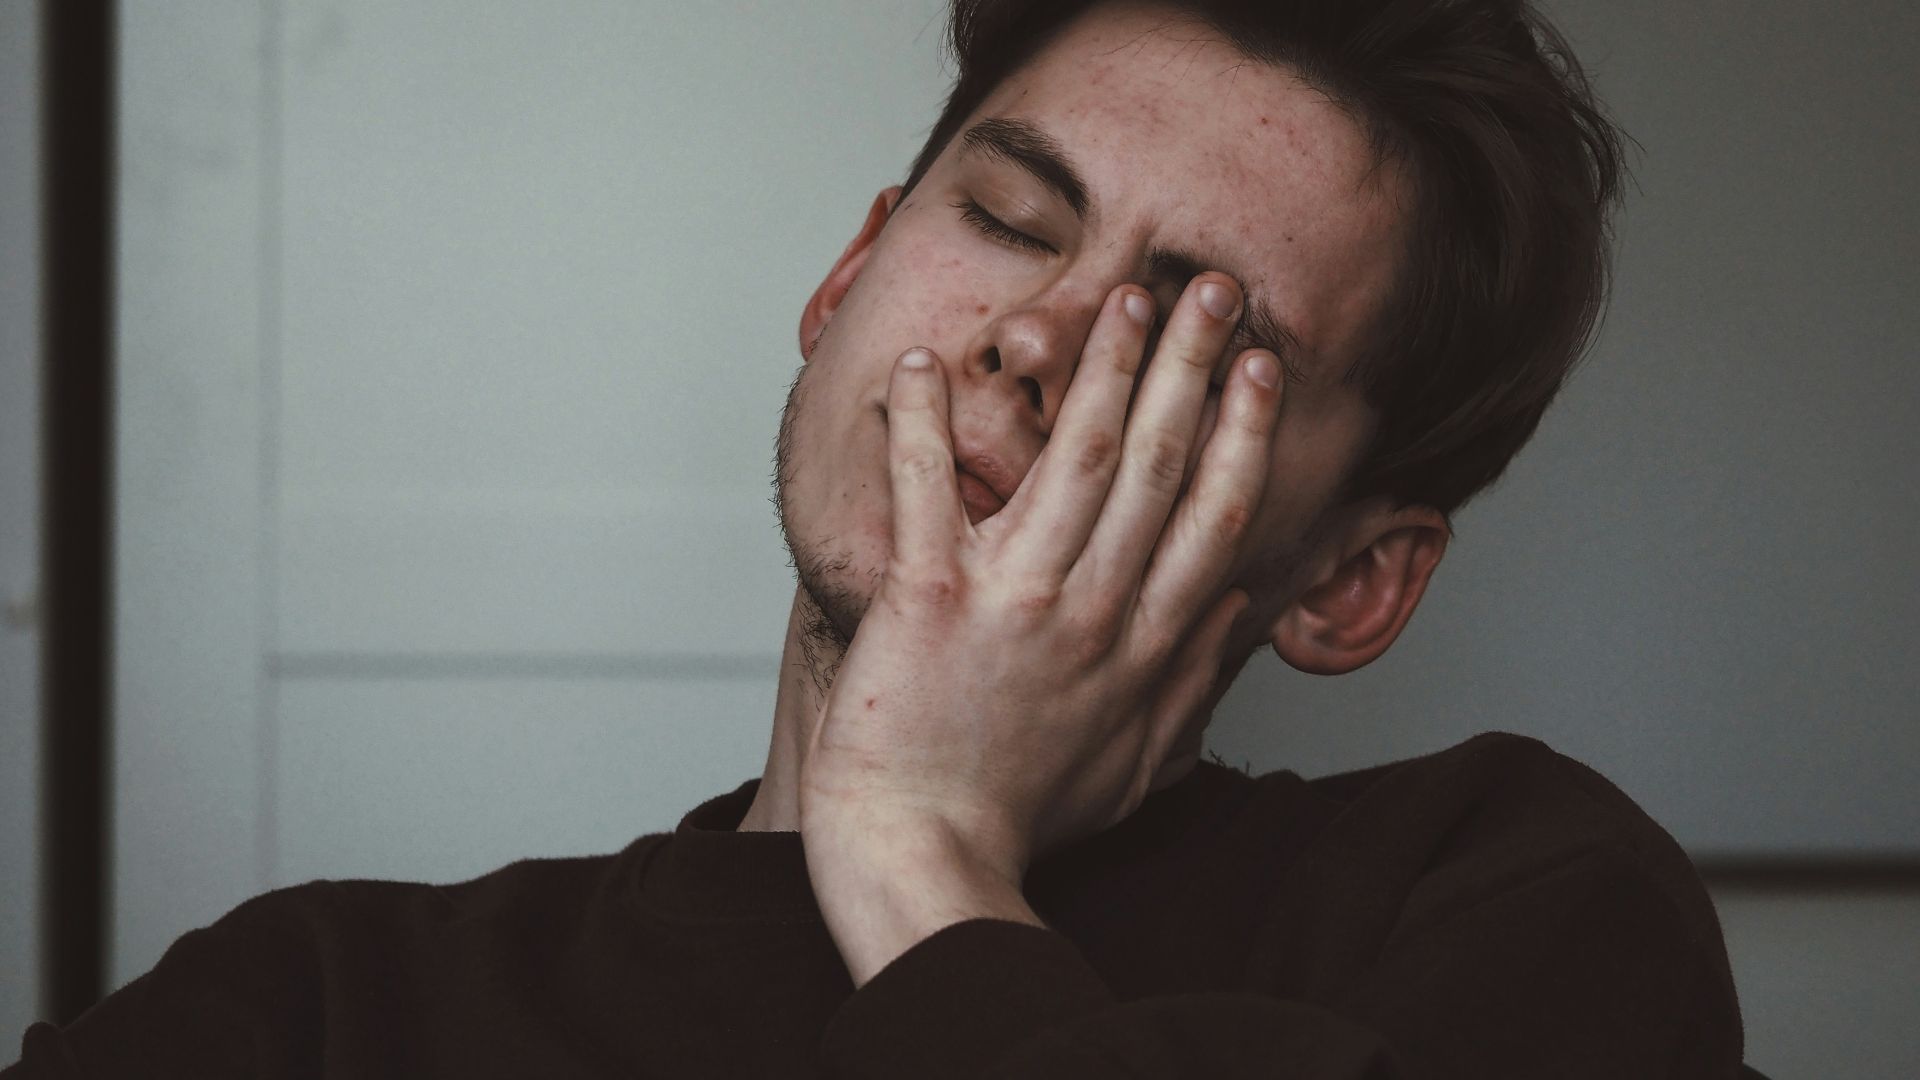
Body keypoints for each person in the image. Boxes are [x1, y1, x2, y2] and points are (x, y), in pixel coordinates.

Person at [6, 1, 1748, 1077]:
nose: (1030, 339)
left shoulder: (1518, 906)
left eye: (1195, 339)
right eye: (1003, 219)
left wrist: (922, 846)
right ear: (846, 281)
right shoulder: (311, 1012)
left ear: (1355, 582)